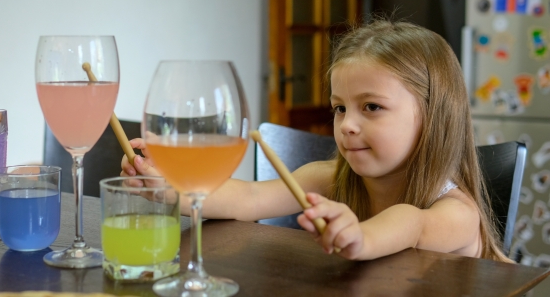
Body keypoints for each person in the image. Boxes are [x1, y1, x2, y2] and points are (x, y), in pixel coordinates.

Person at [121, 19, 512, 262]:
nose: (347, 125)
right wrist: (168, 188)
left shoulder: (456, 213)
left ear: (433, 117)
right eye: (340, 108)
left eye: (371, 107)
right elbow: (249, 199)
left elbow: (409, 225)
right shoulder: (330, 179)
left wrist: (360, 236)